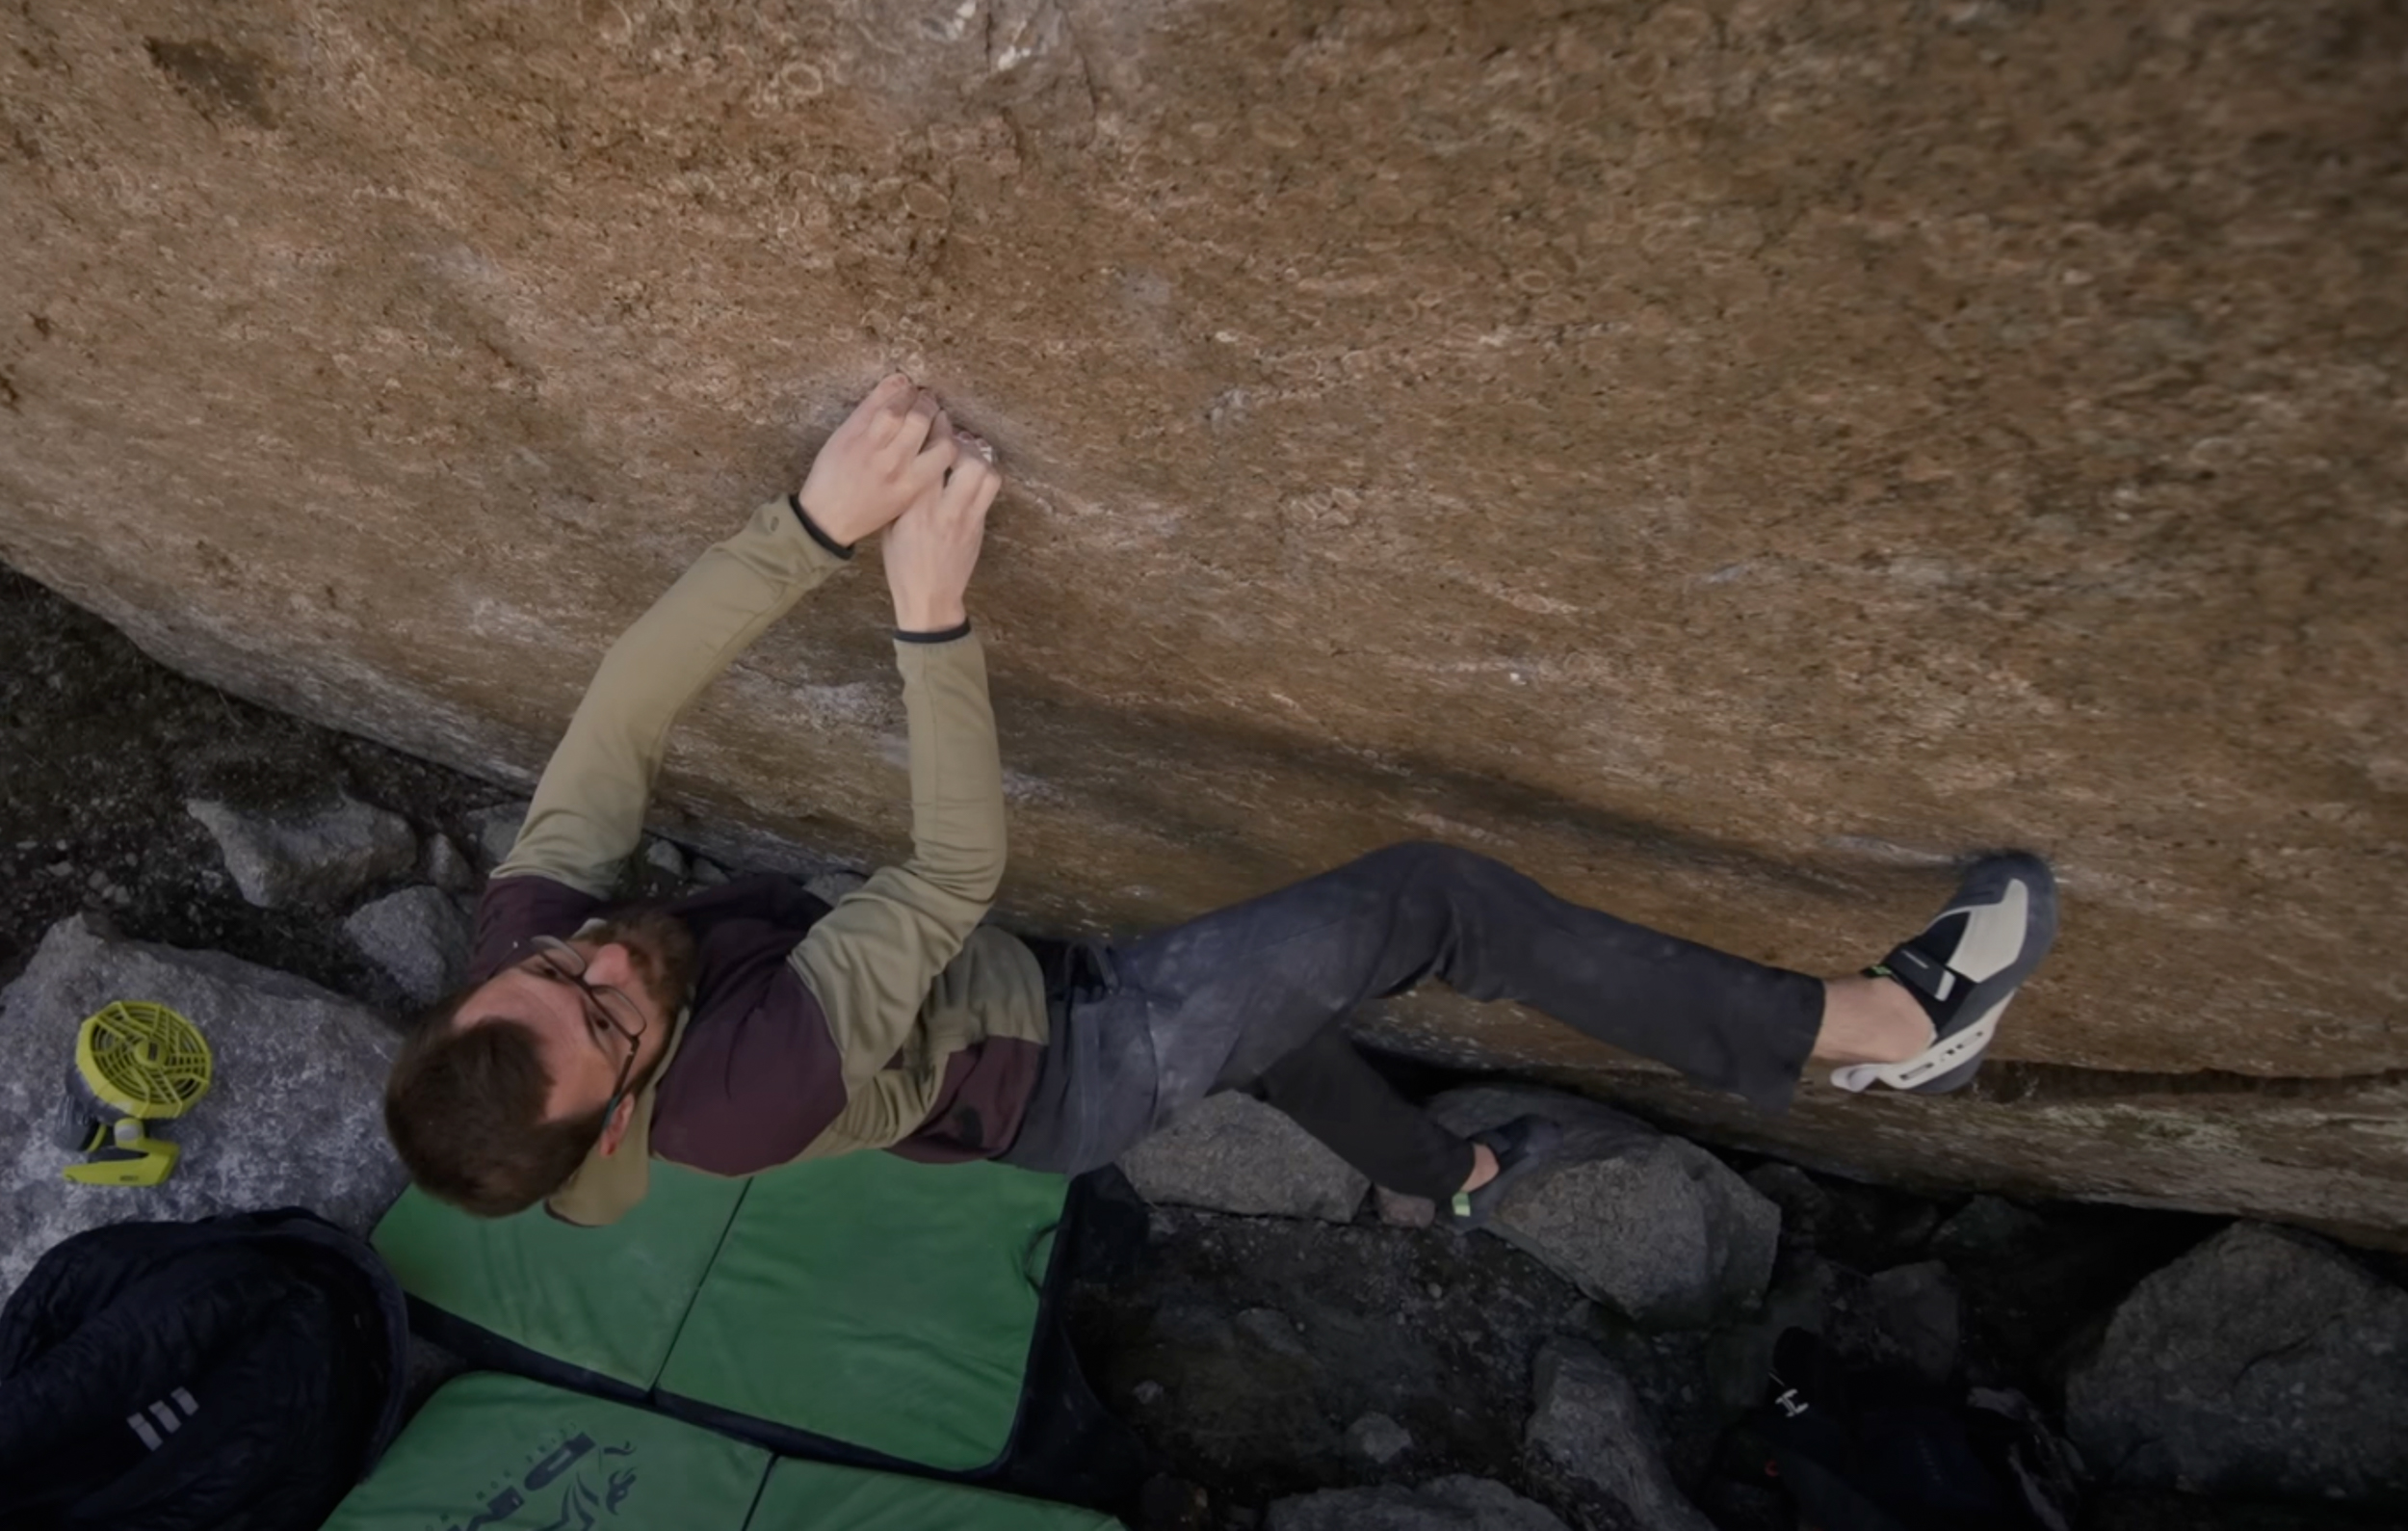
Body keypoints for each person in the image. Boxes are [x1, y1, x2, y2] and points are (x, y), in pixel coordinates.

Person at [384, 377, 2059, 1227]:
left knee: (1294, 1022)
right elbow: (956, 865)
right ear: (617, 1120)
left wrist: (810, 528)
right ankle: (1869, 1029)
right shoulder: (736, 1102)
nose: (600, 957)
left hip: (996, 1003)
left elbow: (622, 703)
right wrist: (926, 602)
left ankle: (1445, 1181)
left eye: (551, 968)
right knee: (1423, 904)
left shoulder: (541, 954)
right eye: (602, 1013)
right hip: (1075, 1070)